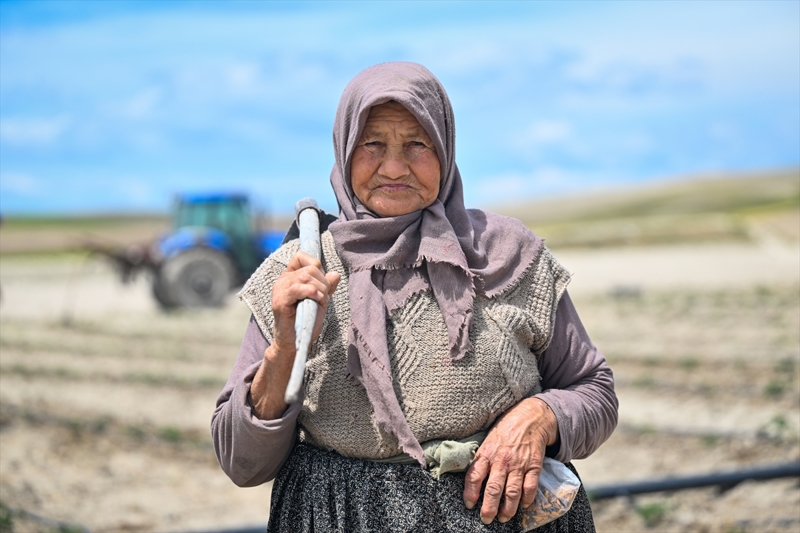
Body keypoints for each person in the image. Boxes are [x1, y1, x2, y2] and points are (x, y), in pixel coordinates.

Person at [212, 62, 618, 532]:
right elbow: (243, 463)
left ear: (444, 148)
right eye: (373, 144)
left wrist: (541, 415)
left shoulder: (509, 255)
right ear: (345, 149)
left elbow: (595, 392)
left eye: (416, 144)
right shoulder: (299, 276)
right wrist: (285, 348)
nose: (393, 167)